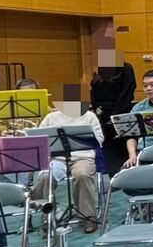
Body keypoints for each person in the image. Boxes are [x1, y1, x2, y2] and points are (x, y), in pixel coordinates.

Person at [30, 84, 103, 233]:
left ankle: (88, 216)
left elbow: (99, 139)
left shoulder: (89, 116)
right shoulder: (51, 117)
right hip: (57, 159)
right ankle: (50, 217)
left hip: (82, 157)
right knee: (45, 177)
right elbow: (39, 139)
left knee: (82, 174)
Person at [90, 51, 137, 175]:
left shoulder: (126, 68)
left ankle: (126, 176)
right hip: (103, 115)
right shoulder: (99, 70)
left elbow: (127, 92)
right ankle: (113, 178)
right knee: (108, 151)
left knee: (122, 148)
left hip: (121, 113)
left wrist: (115, 115)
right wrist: (95, 107)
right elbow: (93, 91)